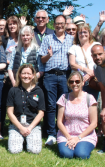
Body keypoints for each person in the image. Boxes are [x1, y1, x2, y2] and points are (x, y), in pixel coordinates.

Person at [39, 15, 74, 145]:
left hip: (65, 76)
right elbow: (42, 59)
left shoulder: (71, 39)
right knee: (50, 105)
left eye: (62, 23)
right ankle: (51, 134)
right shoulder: (48, 38)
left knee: (64, 105)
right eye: (57, 23)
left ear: (65, 24)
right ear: (53, 25)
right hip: (50, 76)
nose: (60, 25)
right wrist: (49, 55)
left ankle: (62, 132)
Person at [57, 71, 97, 159]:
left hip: (85, 135)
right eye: (71, 82)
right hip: (66, 134)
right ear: (69, 84)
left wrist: (78, 138)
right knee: (67, 155)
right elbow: (59, 122)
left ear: (83, 82)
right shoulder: (64, 98)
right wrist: (69, 137)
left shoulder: (89, 98)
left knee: (81, 155)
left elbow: (94, 123)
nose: (74, 84)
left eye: (77, 81)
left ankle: (82, 147)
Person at [7, 64, 45, 154]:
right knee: (14, 150)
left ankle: (26, 139)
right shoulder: (13, 90)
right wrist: (20, 128)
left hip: (33, 125)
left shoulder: (39, 91)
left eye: (29, 74)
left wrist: (30, 128)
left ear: (33, 76)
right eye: (24, 73)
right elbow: (9, 112)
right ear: (20, 75)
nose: (26, 76)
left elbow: (41, 113)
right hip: (17, 125)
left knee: (34, 150)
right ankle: (22, 139)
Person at [68, 24, 100, 99]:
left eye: (85, 32)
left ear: (89, 33)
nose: (83, 34)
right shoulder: (74, 47)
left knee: (92, 104)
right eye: (80, 32)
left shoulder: (96, 45)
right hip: (78, 82)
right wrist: (85, 70)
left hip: (93, 80)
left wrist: (90, 74)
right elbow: (72, 64)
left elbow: (101, 62)